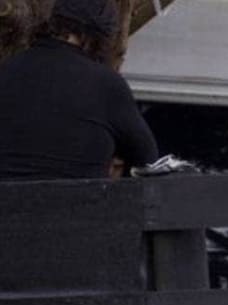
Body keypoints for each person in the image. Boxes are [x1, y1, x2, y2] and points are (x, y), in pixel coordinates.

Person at [0, 0, 157, 180]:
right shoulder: (105, 84)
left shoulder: (6, 71)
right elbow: (147, 161)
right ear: (98, 35)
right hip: (77, 205)